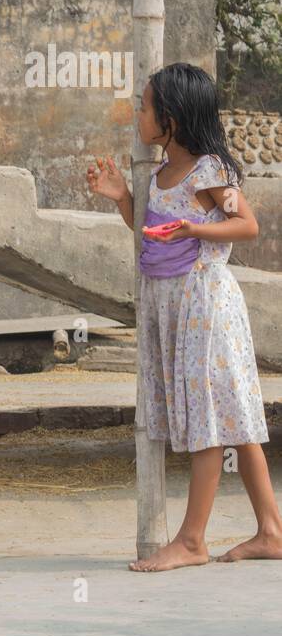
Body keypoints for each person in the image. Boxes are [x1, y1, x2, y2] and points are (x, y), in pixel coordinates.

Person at [87, 62, 281, 570]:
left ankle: (192, 541)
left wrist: (194, 231)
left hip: (205, 306)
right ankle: (272, 532)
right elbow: (153, 231)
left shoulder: (211, 171)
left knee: (211, 420)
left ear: (169, 119)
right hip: (170, 306)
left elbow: (247, 225)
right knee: (236, 420)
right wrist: (124, 200)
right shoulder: (158, 175)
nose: (138, 114)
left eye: (146, 107)